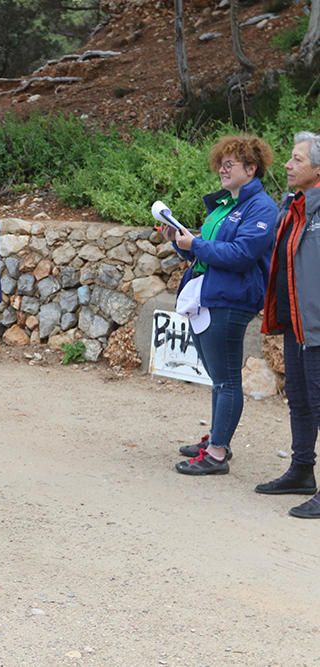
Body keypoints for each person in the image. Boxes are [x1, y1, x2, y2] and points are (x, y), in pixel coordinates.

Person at [165, 134, 279, 475]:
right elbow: (206, 249)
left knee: (226, 379)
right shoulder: (226, 205)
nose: (222, 169)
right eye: (221, 163)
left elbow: (243, 254)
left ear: (251, 168)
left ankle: (216, 453)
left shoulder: (262, 207)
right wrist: (180, 241)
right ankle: (217, 438)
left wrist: (196, 246)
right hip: (211, 294)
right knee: (219, 378)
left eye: (230, 164)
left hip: (231, 298)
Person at [255, 132, 320, 516]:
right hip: (298, 323)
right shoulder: (295, 207)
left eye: (297, 159)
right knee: (300, 398)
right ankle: (301, 470)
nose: (288, 165)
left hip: (316, 325)